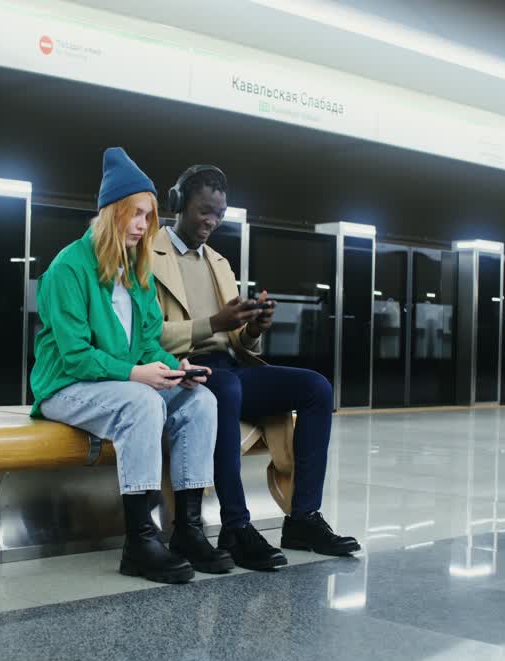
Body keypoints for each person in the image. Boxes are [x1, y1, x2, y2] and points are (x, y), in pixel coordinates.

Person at [30, 147, 231, 584]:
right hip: (65, 386)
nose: (143, 226)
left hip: (120, 383)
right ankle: (140, 540)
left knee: (201, 401)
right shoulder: (69, 268)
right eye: (136, 215)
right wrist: (139, 374)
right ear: (112, 212)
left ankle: (188, 531)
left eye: (149, 217)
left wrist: (175, 366)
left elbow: (145, 344)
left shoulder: (135, 270)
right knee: (142, 403)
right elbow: (75, 356)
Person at [152, 165, 360, 571]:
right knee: (226, 388)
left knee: (316, 388)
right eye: (203, 211)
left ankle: (302, 518)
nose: (212, 222)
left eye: (219, 214)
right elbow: (145, 335)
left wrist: (252, 329)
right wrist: (212, 324)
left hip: (229, 366)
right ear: (178, 204)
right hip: (184, 368)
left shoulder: (219, 262)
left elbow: (239, 341)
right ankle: (235, 526)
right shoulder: (149, 257)